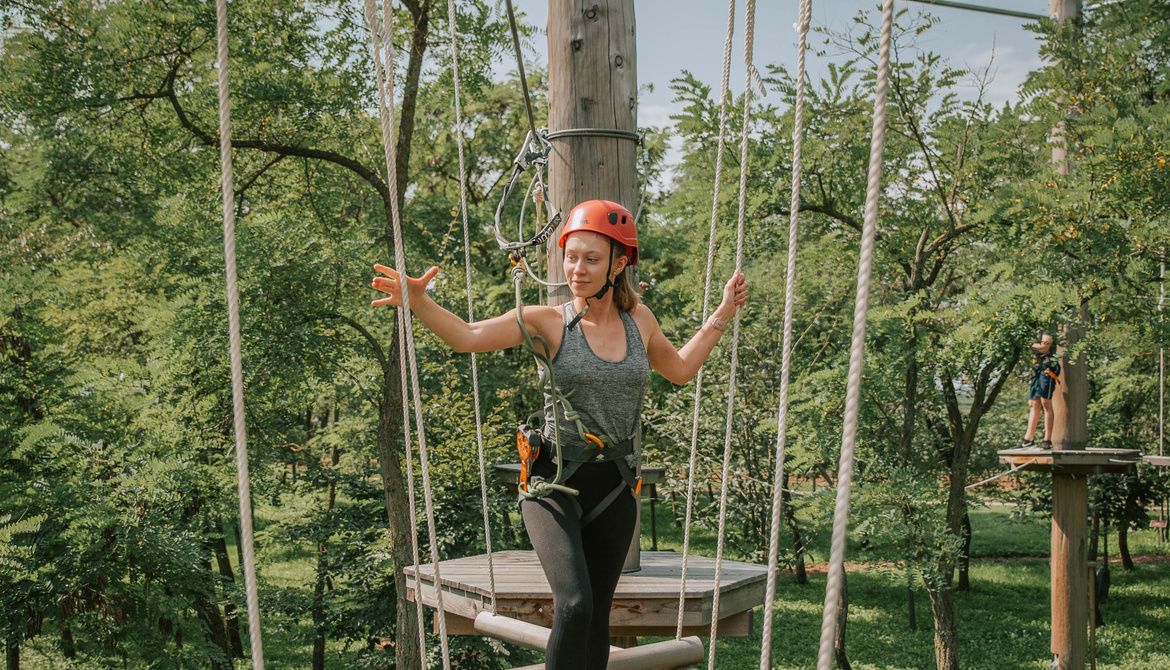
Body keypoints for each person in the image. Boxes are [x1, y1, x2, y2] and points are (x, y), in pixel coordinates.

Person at [371, 199, 747, 670]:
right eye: (571, 257)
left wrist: (722, 315)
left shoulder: (640, 322)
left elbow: (681, 370)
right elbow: (467, 336)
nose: (577, 269)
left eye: (592, 259)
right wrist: (419, 302)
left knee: (594, 621)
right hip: (553, 484)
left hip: (614, 485)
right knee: (573, 605)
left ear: (621, 262)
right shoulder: (549, 322)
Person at [1020, 332, 1061, 449]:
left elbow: (1044, 347)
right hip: (1038, 368)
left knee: (1045, 402)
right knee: (1033, 403)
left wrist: (1025, 344)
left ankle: (1047, 440)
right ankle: (1028, 439)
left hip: (1048, 368)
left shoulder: (1048, 328)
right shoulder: (1032, 329)